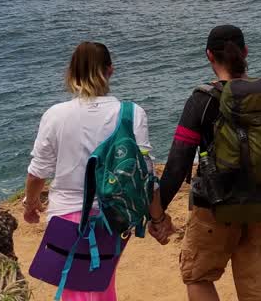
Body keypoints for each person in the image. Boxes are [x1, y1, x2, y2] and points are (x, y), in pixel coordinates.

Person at [23, 41, 171, 301]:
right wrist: (158, 219)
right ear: (110, 71)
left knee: (76, 288)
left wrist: (30, 204)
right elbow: (145, 175)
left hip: (65, 216)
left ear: (71, 74)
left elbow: (38, 172)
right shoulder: (131, 113)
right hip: (114, 217)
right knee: (100, 283)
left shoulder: (55, 115)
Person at [156, 24, 261, 301]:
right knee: (254, 292)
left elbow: (178, 164)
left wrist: (157, 213)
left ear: (209, 56)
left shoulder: (202, 100)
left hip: (213, 209)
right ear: (246, 52)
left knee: (198, 277)